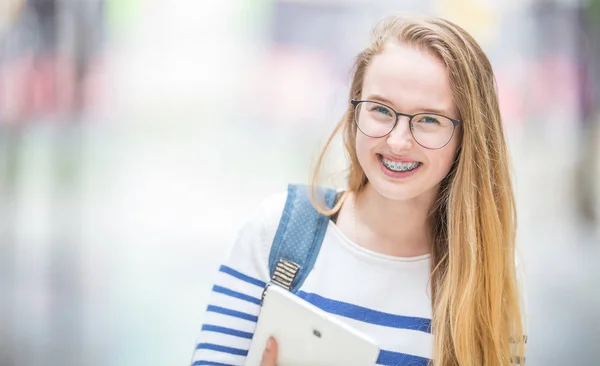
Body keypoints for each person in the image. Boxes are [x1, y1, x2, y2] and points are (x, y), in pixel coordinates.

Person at [190, 15, 527, 366]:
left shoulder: (491, 272)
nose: (398, 141)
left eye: (429, 119)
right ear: (355, 112)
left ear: (467, 136)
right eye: (381, 110)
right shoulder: (275, 232)